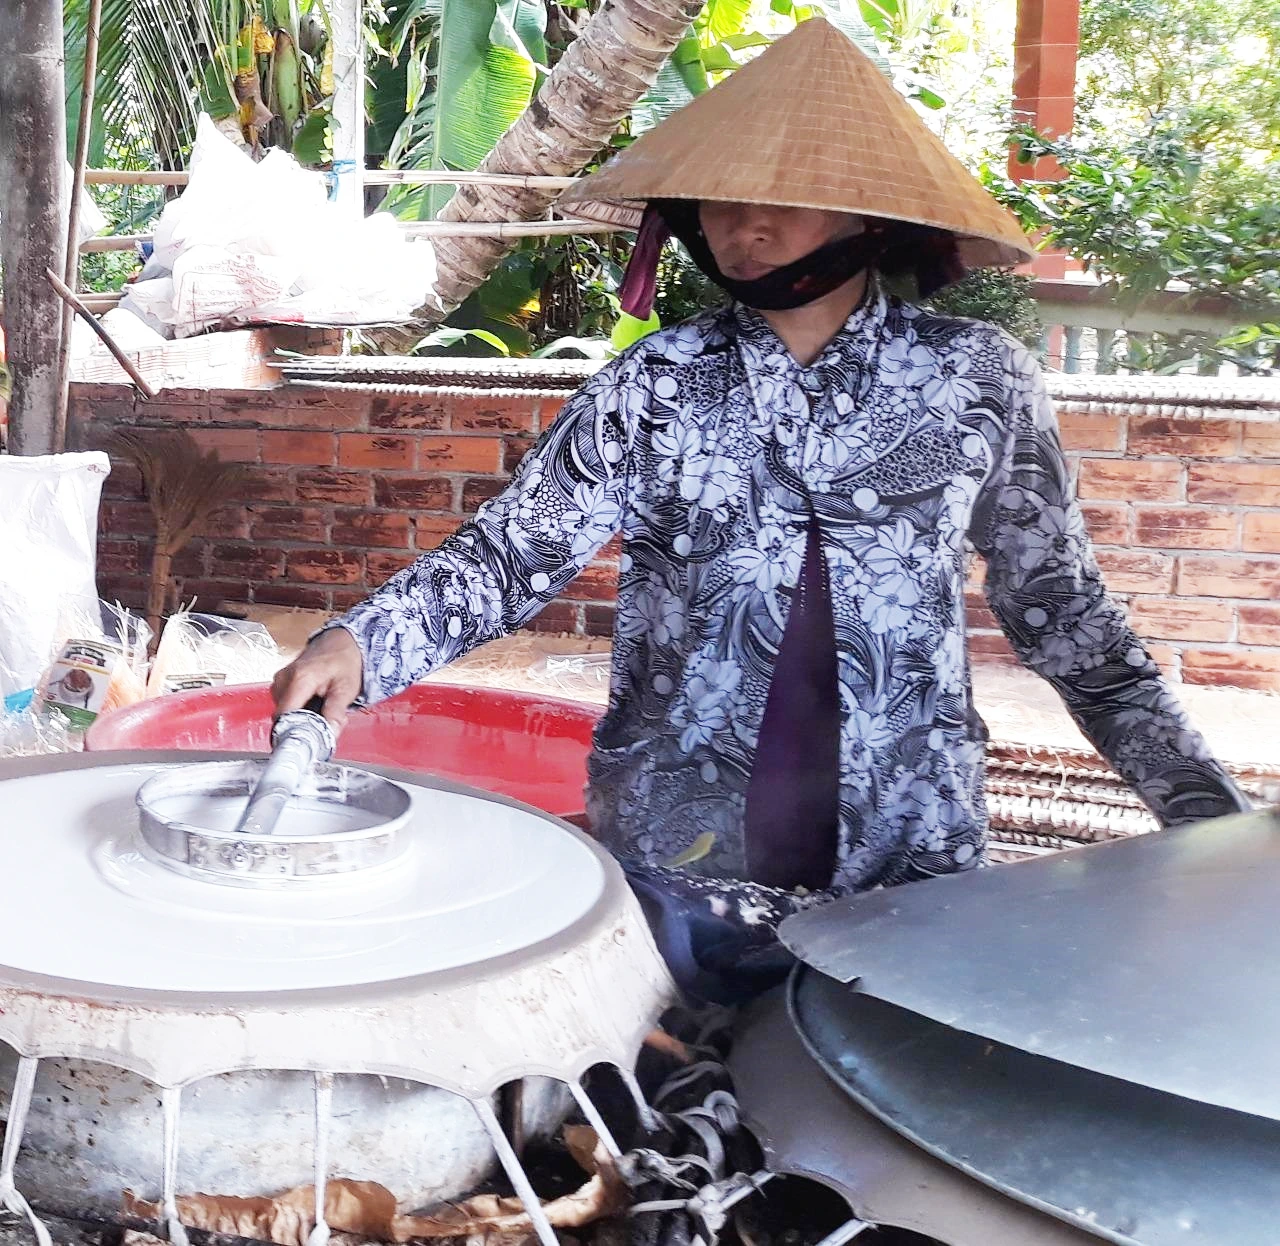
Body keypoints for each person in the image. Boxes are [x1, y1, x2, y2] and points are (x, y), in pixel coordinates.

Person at [274, 18, 1247, 999]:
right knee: (668, 1076)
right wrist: (361, 643)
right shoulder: (654, 385)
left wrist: (1204, 813)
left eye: (781, 199)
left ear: (866, 215)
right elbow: (510, 555)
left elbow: (1063, 611)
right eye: (723, 199)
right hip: (679, 854)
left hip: (905, 855)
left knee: (863, 1078)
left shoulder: (975, 382)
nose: (744, 227)